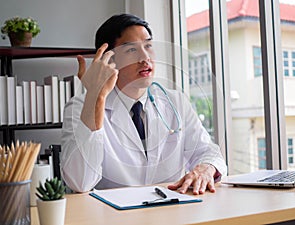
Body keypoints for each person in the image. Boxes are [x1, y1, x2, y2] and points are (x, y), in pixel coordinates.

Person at [61, 13, 227, 195]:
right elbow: (79, 182)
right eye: (132, 50)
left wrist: (206, 168)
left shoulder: (175, 101)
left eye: (148, 45)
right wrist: (96, 98)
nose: (145, 57)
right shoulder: (80, 107)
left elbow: (209, 152)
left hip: (172, 212)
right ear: (108, 60)